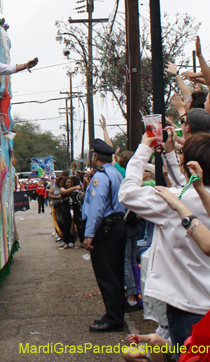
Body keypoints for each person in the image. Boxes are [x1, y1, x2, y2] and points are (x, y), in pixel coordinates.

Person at [119, 133, 210, 350]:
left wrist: (144, 148)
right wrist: (172, 155)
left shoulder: (172, 201)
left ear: (188, 165)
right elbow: (192, 188)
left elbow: (126, 194)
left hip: (186, 303)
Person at [82, 138, 126, 333]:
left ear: (96, 156)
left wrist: (89, 234)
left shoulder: (100, 177)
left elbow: (96, 207)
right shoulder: (116, 173)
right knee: (116, 274)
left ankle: (113, 319)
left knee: (106, 274)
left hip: (105, 229)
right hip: (117, 225)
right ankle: (116, 314)